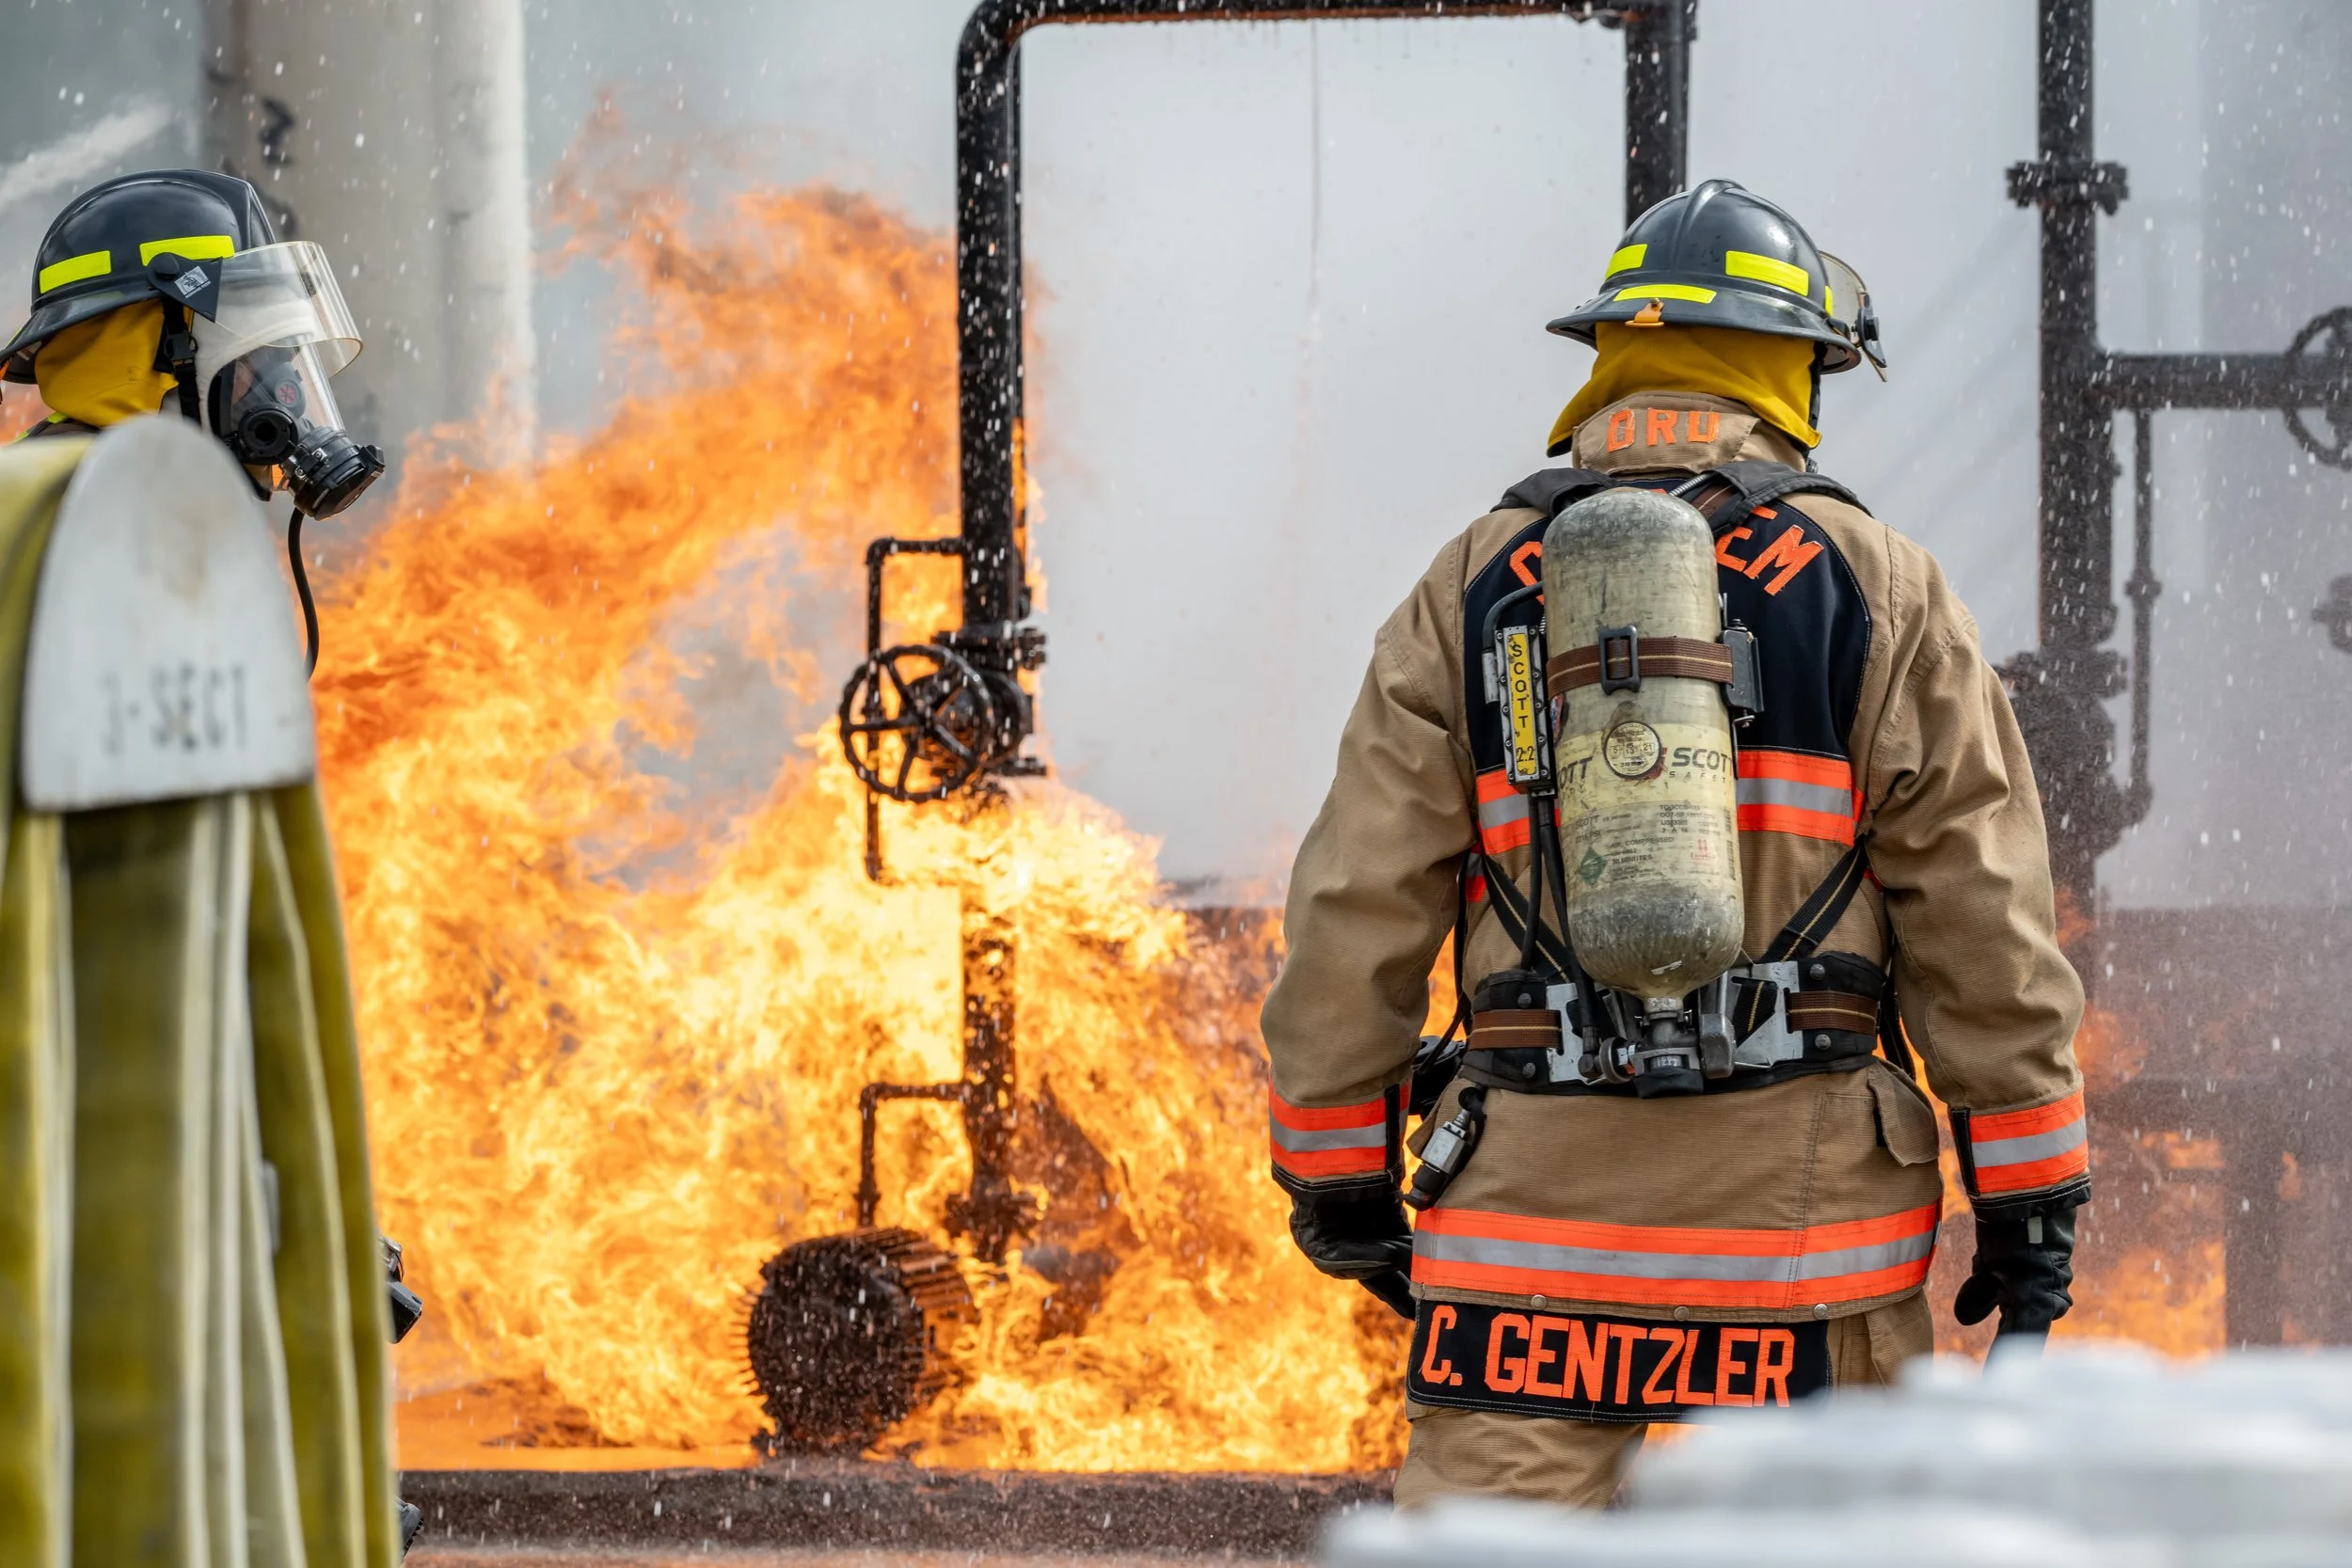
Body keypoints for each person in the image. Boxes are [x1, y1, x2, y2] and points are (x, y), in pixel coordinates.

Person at [1263, 180, 2089, 1507]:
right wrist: (2030, 1198)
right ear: (1788, 369)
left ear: (1613, 362)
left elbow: (1358, 902)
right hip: (1807, 1244)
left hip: (1534, 1238)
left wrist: (1339, 1175)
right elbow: (1980, 917)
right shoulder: (1878, 583)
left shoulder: (1470, 582)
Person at [1, 168, 384, 666]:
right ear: (150, 352)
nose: (281, 393)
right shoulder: (82, 509)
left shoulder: (119, 485)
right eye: (254, 351)